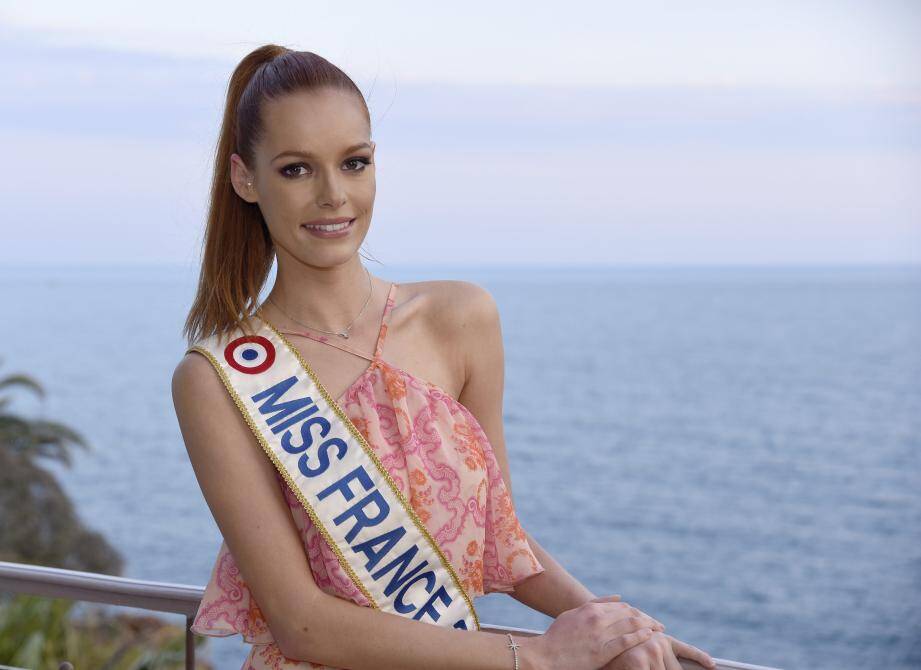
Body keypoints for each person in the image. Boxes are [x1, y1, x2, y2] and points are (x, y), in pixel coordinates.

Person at [171, 43, 718, 670]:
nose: (332, 195)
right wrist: (537, 658)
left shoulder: (462, 320)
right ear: (246, 179)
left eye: (354, 163)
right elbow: (301, 625)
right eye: (297, 169)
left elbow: (503, 539)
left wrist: (610, 629)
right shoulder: (217, 379)